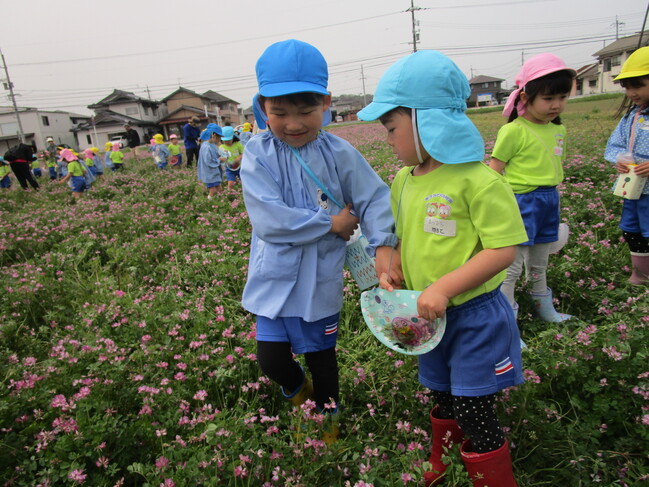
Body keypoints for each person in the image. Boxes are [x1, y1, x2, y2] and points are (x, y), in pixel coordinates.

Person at [358, 50, 527, 487]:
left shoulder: (479, 179)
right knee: (442, 395)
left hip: (473, 315)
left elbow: (503, 249)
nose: (389, 139)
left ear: (426, 120)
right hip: (425, 312)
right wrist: (390, 267)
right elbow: (396, 234)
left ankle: (494, 479)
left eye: (393, 128)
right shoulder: (403, 179)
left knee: (474, 406)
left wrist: (446, 288)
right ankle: (444, 463)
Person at [240, 39, 398, 445]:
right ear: (262, 106)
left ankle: (328, 426)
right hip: (273, 276)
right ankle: (299, 395)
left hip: (319, 277)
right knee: (272, 360)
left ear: (326, 102)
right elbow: (268, 219)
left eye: (305, 111)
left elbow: (376, 198)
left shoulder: (340, 152)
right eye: (279, 112)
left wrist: (384, 247)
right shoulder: (257, 154)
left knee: (322, 359)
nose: (293, 124)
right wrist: (331, 223)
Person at [490, 53, 575, 322]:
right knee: (511, 266)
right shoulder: (514, 130)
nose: (556, 105)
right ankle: (507, 319)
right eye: (548, 99)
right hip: (520, 201)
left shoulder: (558, 130)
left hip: (549, 199)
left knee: (540, 261)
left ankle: (543, 306)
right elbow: (494, 171)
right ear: (525, 98)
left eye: (562, 97)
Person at [605, 46, 649, 284]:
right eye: (627, 87)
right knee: (631, 229)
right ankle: (641, 274)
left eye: (638, 85)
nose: (631, 92)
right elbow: (615, 144)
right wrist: (621, 159)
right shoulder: (633, 115)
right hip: (634, 188)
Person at [197, 125, 225, 199]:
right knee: (213, 190)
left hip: (213, 173)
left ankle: (221, 202)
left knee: (219, 189)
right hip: (209, 173)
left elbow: (217, 154)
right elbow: (208, 161)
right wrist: (220, 160)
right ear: (214, 135)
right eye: (219, 137)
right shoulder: (206, 147)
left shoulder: (211, 145)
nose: (219, 140)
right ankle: (209, 202)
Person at [219, 126, 244, 191]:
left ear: (233, 137)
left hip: (240, 167)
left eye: (228, 140)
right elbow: (220, 157)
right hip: (229, 168)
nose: (226, 142)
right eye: (225, 140)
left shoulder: (237, 144)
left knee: (244, 182)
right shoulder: (221, 147)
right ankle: (230, 194)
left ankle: (243, 192)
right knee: (230, 184)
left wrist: (239, 158)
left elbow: (244, 153)